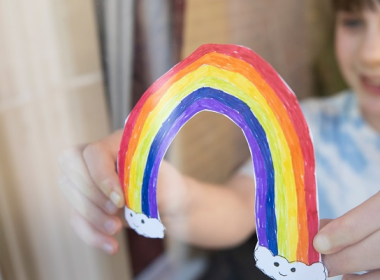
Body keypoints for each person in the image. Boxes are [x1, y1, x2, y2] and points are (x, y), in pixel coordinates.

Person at [58, 0, 380, 279]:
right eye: (353, 22)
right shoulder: (311, 125)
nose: (370, 53)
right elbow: (237, 205)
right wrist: (172, 197)